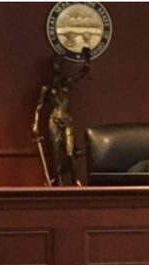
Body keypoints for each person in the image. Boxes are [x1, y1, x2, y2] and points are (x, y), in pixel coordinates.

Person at [32, 48, 91, 186]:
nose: (57, 67)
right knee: (56, 155)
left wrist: (87, 60)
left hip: (67, 121)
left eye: (59, 64)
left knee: (70, 153)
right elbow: (39, 107)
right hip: (54, 121)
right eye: (55, 64)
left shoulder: (67, 83)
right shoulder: (46, 88)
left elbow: (83, 72)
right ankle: (57, 182)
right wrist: (35, 123)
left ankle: (75, 179)